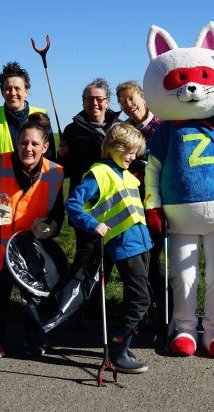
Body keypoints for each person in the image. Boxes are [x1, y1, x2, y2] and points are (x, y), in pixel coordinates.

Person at [0, 112, 65, 358]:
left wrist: (51, 227)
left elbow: (58, 215)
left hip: (28, 245)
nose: (28, 149)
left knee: (34, 292)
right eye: (24, 142)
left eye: (35, 144)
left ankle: (33, 338)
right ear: (16, 143)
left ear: (45, 146)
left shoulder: (55, 173)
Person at [65, 123, 153, 374]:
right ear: (113, 147)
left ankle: (124, 346)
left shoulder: (127, 174)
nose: (133, 157)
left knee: (140, 296)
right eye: (129, 151)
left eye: (136, 152)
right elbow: (73, 204)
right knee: (140, 299)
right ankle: (116, 350)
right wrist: (92, 224)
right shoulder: (100, 173)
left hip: (142, 242)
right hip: (124, 245)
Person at [57, 78, 120, 328]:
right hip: (86, 205)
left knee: (108, 259)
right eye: (89, 99)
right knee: (84, 258)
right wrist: (61, 157)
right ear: (83, 102)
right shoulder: (72, 130)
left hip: (115, 204)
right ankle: (73, 308)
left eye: (99, 99)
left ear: (107, 101)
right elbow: (65, 171)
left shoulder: (119, 127)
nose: (94, 103)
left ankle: (95, 305)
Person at [115, 80, 168, 338]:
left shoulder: (163, 125)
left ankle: (166, 313)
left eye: (131, 98)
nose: (128, 105)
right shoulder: (124, 130)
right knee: (141, 261)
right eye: (123, 101)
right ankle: (142, 313)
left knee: (157, 262)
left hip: (160, 201)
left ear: (143, 98)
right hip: (134, 203)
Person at [0, 61, 56, 160]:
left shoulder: (42, 117)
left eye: (17, 88)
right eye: (8, 88)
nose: (12, 93)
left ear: (26, 91)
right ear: (2, 92)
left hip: (35, 175)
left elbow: (50, 157)